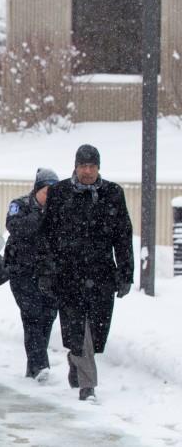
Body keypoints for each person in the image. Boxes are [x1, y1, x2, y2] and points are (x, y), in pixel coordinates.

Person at [38, 145, 133, 402]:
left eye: (92, 166)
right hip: (68, 274)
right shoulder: (59, 194)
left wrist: (126, 273)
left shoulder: (112, 194)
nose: (87, 171)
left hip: (102, 274)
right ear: (75, 167)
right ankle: (87, 385)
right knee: (79, 329)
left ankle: (76, 360)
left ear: (98, 167)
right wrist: (46, 270)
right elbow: (47, 236)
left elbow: (123, 236)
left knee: (97, 329)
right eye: (83, 166)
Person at [3, 168, 61, 381]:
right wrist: (42, 216)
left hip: (50, 273)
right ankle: (40, 365)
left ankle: (34, 365)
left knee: (47, 317)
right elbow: (16, 227)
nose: (51, 198)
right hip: (22, 272)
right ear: (37, 190)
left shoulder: (62, 211)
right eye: (47, 192)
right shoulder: (20, 205)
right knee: (32, 315)